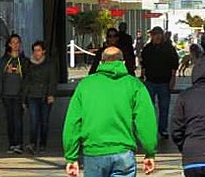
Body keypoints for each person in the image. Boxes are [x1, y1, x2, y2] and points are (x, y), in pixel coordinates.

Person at [62, 47, 157, 177]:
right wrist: (149, 152)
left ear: (101, 63)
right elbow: (146, 122)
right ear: (123, 62)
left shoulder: (85, 86)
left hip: (93, 152)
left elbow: (73, 123)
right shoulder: (135, 85)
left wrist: (71, 156)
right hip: (123, 152)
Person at [140, 26, 179, 138]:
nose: (157, 37)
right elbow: (144, 64)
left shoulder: (168, 48)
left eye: (159, 34)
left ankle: (163, 129)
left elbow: (174, 64)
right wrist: (142, 76)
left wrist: (173, 79)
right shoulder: (147, 49)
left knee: (164, 107)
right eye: (154, 34)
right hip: (150, 81)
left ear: (162, 35)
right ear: (151, 36)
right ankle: (150, 128)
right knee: (148, 107)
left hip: (164, 82)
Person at [23, 40, 58, 154]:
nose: (36, 53)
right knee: (34, 121)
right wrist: (24, 97)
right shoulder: (29, 64)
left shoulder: (49, 64)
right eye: (34, 51)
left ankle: (43, 143)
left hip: (45, 96)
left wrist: (51, 94)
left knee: (44, 121)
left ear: (43, 51)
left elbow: (52, 80)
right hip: (33, 95)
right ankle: (32, 143)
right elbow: (26, 81)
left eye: (38, 50)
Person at [0, 33, 28, 154]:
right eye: (13, 42)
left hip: (19, 95)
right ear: (9, 44)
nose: (15, 45)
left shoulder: (24, 61)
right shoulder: (4, 60)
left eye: (17, 42)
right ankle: (11, 144)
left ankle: (19, 144)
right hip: (7, 94)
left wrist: (25, 96)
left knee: (18, 120)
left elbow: (27, 78)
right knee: (10, 120)